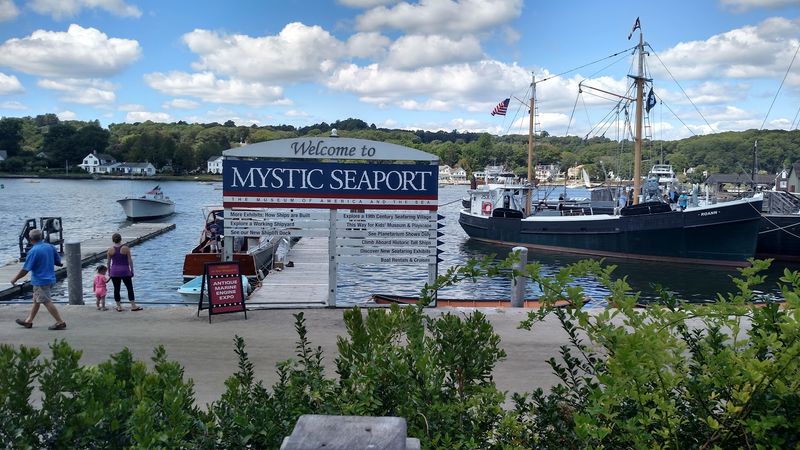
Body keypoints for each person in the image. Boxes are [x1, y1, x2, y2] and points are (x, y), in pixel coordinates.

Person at [10, 229, 67, 330]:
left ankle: (60, 322)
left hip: (40, 280)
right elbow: (58, 261)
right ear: (42, 237)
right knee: (36, 300)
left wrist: (14, 279)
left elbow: (25, 269)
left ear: (30, 239)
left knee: (46, 301)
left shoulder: (33, 251)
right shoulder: (50, 247)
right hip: (50, 278)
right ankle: (29, 321)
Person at [106, 233, 142, 312]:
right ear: (121, 239)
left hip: (114, 271)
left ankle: (119, 306)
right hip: (125, 271)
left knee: (116, 289)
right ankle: (133, 305)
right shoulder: (125, 248)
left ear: (113, 240)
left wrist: (109, 272)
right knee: (129, 288)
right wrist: (132, 270)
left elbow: (108, 263)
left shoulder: (110, 249)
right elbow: (130, 261)